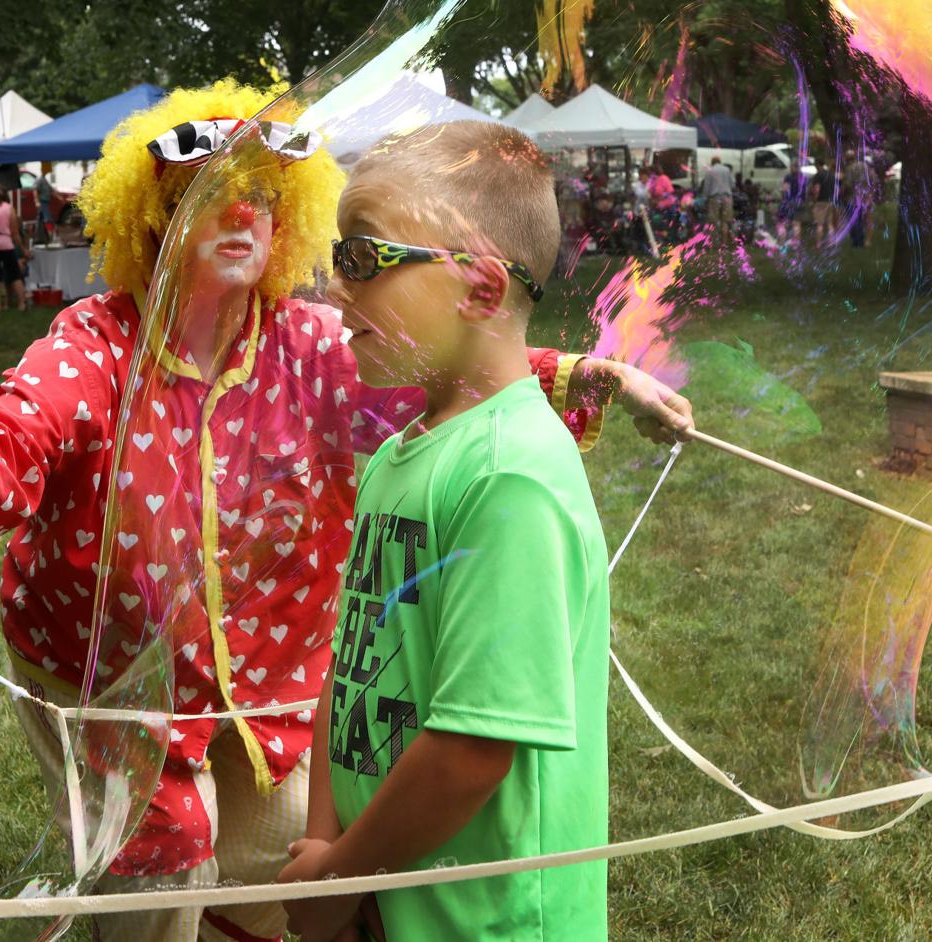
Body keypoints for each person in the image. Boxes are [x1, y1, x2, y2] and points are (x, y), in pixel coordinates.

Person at [0, 82, 692, 942]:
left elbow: (454, 362)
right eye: (207, 195)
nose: (242, 213)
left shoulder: (313, 345)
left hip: (269, 674)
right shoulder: (97, 345)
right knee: (162, 853)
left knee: (275, 855)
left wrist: (594, 374)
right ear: (154, 220)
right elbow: (13, 428)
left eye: (263, 196)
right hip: (109, 676)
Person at [279, 120, 612, 942]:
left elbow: (472, 750)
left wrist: (340, 875)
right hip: (382, 891)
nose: (335, 291)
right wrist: (324, 851)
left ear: (481, 291)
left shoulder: (511, 475)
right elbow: (351, 670)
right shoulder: (399, 457)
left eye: (363, 258)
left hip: (488, 924)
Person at [701, 156, 735, 239]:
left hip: (714, 198)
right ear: (720, 162)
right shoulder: (727, 170)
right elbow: (732, 185)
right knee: (725, 221)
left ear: (712, 162)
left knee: (713, 222)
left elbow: (706, 187)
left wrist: (705, 198)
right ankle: (724, 242)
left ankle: (713, 242)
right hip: (727, 198)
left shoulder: (710, 171)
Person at [777, 159, 809, 245]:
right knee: (797, 224)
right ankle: (796, 243)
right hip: (800, 202)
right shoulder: (804, 177)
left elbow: (785, 189)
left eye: (791, 167)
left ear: (794, 167)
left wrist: (781, 193)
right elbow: (806, 191)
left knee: (782, 223)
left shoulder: (789, 177)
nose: (790, 168)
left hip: (790, 201)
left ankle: (781, 242)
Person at [840, 150, 867, 248]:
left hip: (851, 197)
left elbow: (847, 184)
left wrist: (841, 192)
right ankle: (861, 240)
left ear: (847, 159)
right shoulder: (863, 166)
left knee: (853, 220)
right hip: (862, 197)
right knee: (859, 219)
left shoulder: (849, 168)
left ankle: (856, 242)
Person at [810, 159, 838, 246]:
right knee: (830, 224)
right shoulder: (831, 175)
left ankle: (818, 244)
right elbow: (837, 189)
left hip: (821, 202)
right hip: (830, 202)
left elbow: (817, 189)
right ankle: (831, 242)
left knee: (820, 224)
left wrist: (814, 201)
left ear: (818, 165)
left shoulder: (818, 175)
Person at [35, 164, 55, 243]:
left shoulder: (44, 179)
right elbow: (35, 190)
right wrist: (37, 201)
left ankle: (46, 236)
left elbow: (51, 189)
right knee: (47, 219)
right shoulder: (40, 179)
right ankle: (48, 237)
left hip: (46, 202)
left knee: (43, 219)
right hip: (43, 202)